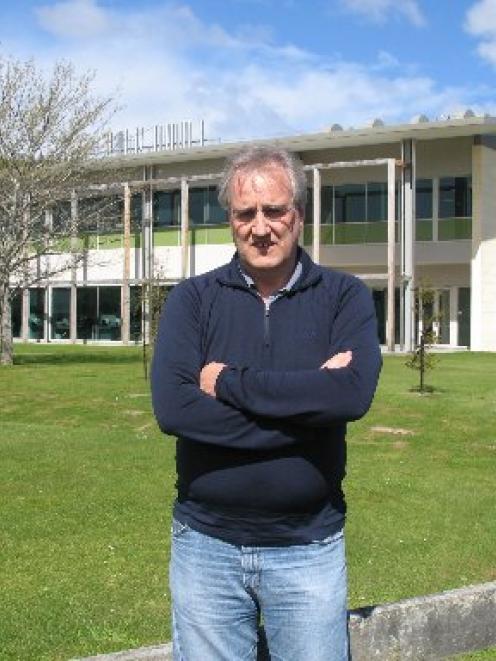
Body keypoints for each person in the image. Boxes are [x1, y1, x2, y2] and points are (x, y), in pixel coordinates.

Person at [151, 146, 382, 661]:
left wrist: (228, 383)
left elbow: (351, 394)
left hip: (308, 550)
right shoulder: (192, 300)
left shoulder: (345, 297)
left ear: (298, 213)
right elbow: (174, 410)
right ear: (230, 219)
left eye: (274, 210)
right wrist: (309, 410)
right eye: (245, 213)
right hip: (205, 548)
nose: (261, 227)